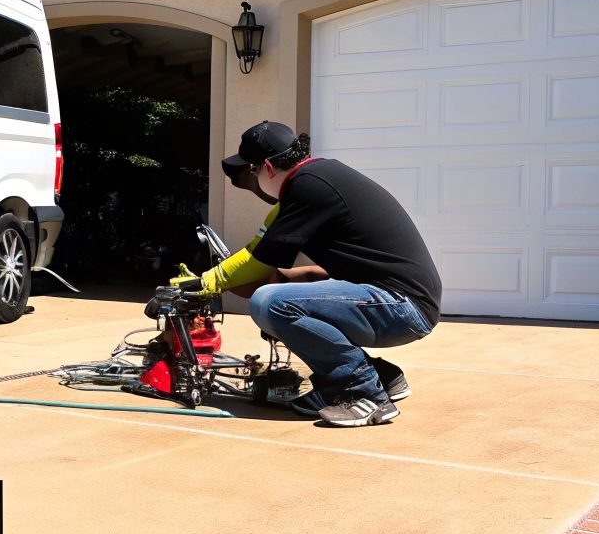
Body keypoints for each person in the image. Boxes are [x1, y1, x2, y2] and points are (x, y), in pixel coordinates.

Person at [180, 120, 441, 427]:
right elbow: (304, 266)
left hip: (402, 306)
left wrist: (206, 283)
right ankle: (384, 377)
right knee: (281, 298)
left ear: (267, 167)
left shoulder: (308, 187)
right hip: (399, 301)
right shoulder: (318, 177)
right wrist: (286, 281)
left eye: (251, 172)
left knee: (270, 303)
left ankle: (362, 393)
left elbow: (257, 260)